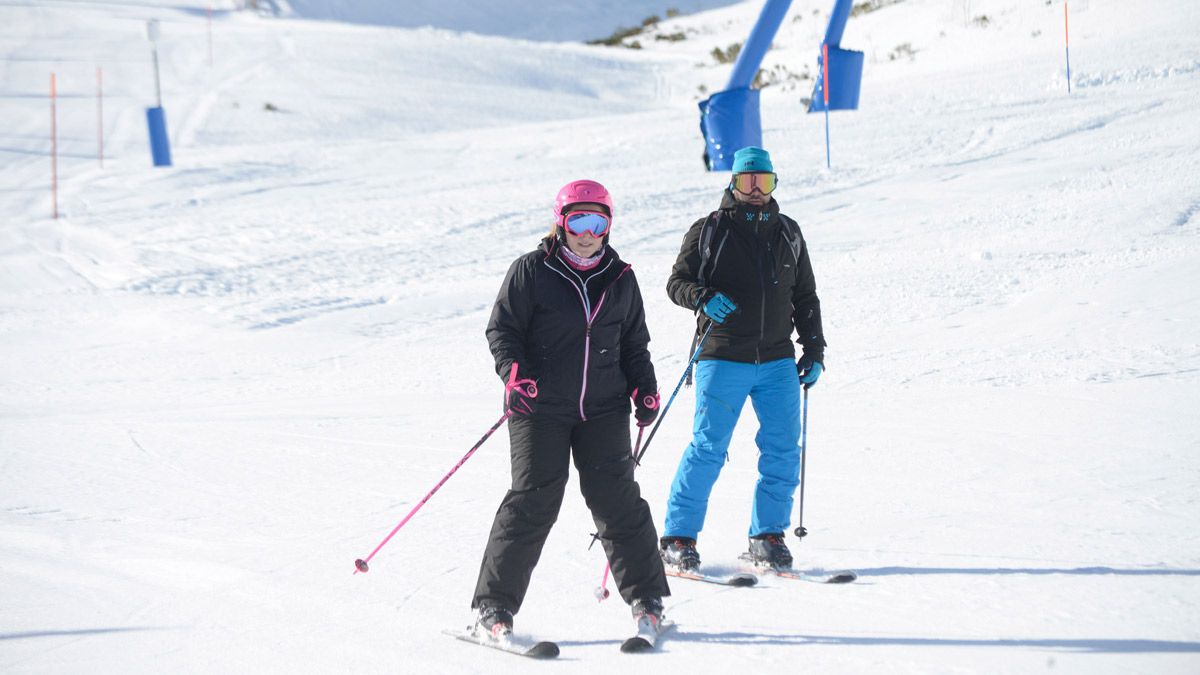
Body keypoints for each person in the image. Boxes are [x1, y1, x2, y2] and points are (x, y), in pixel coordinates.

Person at [471, 179, 671, 640]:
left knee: (617, 499)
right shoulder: (531, 270)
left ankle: (647, 598)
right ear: (561, 222)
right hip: (539, 407)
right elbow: (502, 331)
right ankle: (493, 607)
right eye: (578, 219)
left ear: (608, 226)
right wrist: (513, 373)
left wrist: (644, 388)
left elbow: (634, 343)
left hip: (603, 408)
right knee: (533, 499)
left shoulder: (620, 277)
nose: (587, 231)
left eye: (597, 221)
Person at [659, 146, 825, 573]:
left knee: (783, 449)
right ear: (733, 182)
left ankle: (767, 536)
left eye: (764, 182)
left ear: (773, 183)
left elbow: (805, 297)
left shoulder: (789, 232)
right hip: (722, 356)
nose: (756, 190)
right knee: (709, 448)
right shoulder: (709, 229)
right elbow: (677, 283)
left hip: (777, 360)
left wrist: (814, 349)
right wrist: (703, 297)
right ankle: (678, 538)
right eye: (748, 181)